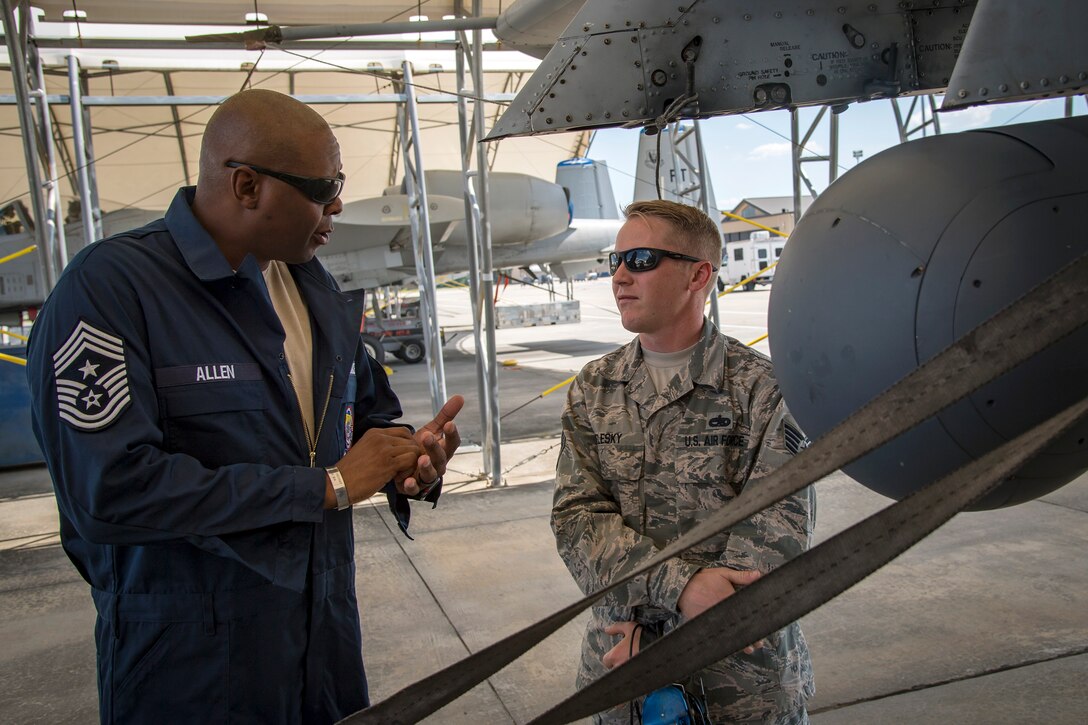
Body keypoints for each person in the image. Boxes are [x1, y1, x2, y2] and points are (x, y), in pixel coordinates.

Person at [26, 89, 463, 724]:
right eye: (324, 187)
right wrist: (328, 487)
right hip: (189, 663)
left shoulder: (311, 284)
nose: (338, 205)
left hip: (322, 641)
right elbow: (108, 488)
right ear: (248, 185)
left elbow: (364, 412)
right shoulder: (111, 289)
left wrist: (408, 456)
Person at [551, 200, 815, 723]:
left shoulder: (763, 388)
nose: (619, 276)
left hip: (740, 687)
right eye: (615, 260)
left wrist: (660, 639)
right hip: (622, 671)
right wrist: (681, 587)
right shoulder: (595, 387)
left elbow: (774, 538)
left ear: (698, 275)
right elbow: (576, 520)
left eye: (642, 259)